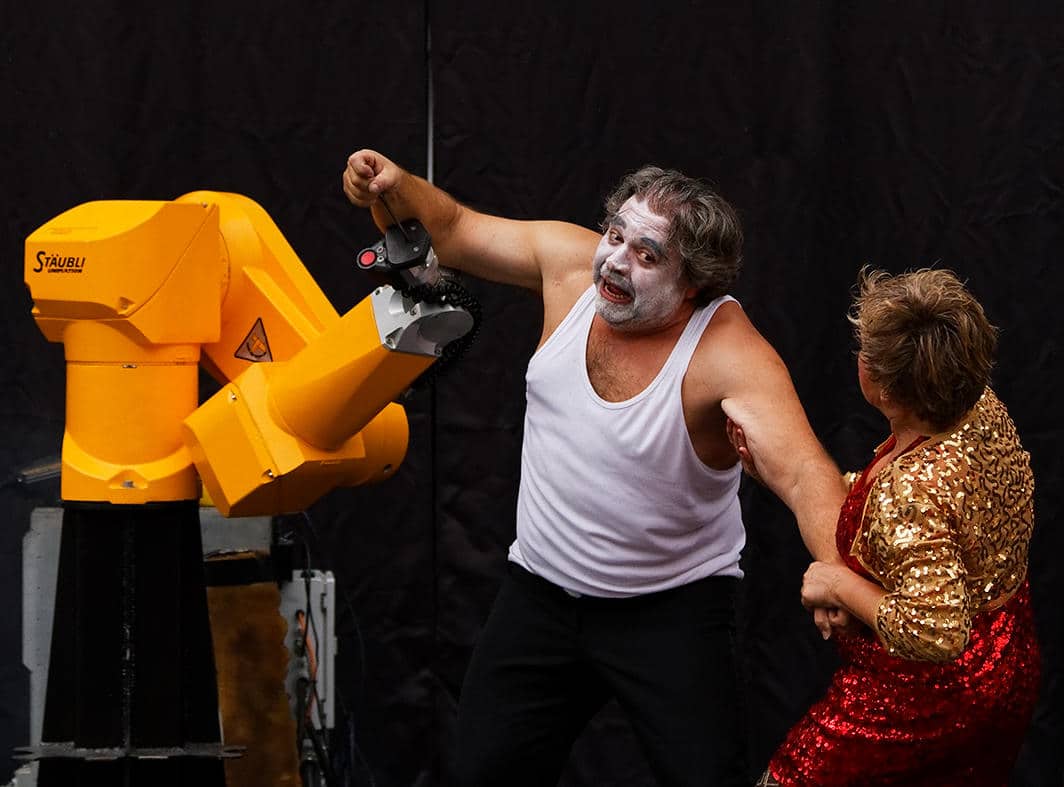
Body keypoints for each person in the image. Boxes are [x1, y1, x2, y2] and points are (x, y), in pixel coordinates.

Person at [342, 150, 847, 786]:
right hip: (540, 594)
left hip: (670, 611)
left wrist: (837, 573)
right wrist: (392, 185)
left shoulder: (726, 354)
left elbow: (802, 472)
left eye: (648, 255)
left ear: (693, 284)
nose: (615, 261)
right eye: (615, 235)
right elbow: (454, 229)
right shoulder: (569, 266)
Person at [735, 268, 1040, 786]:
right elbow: (935, 535)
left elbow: (935, 630)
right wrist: (777, 474)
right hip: (1007, 660)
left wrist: (837, 585)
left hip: (932, 695)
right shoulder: (977, 406)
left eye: (866, 354)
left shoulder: (912, 489)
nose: (859, 356)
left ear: (882, 389)